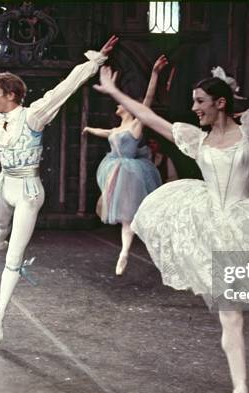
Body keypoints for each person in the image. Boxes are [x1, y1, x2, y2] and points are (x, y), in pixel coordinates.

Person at [93, 7, 249, 393]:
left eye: (200, 101)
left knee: (234, 314)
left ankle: (239, 392)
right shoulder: (196, 139)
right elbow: (151, 118)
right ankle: (241, 391)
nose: (194, 108)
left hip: (243, 222)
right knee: (229, 315)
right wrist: (117, 94)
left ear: (221, 103)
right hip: (207, 218)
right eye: (193, 103)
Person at [0, 35, 119, 345]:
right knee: (0, 223)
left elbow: (64, 89)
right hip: (5, 185)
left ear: (12, 94)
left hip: (29, 191)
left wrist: (94, 62)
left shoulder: (33, 116)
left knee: (13, 258)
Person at [83, 55, 167, 275]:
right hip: (115, 171)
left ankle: (125, 252)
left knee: (130, 217)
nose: (118, 106)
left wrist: (155, 75)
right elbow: (106, 133)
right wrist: (89, 129)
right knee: (126, 219)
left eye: (121, 104)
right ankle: (125, 251)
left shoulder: (136, 126)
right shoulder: (117, 129)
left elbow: (147, 101)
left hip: (131, 174)